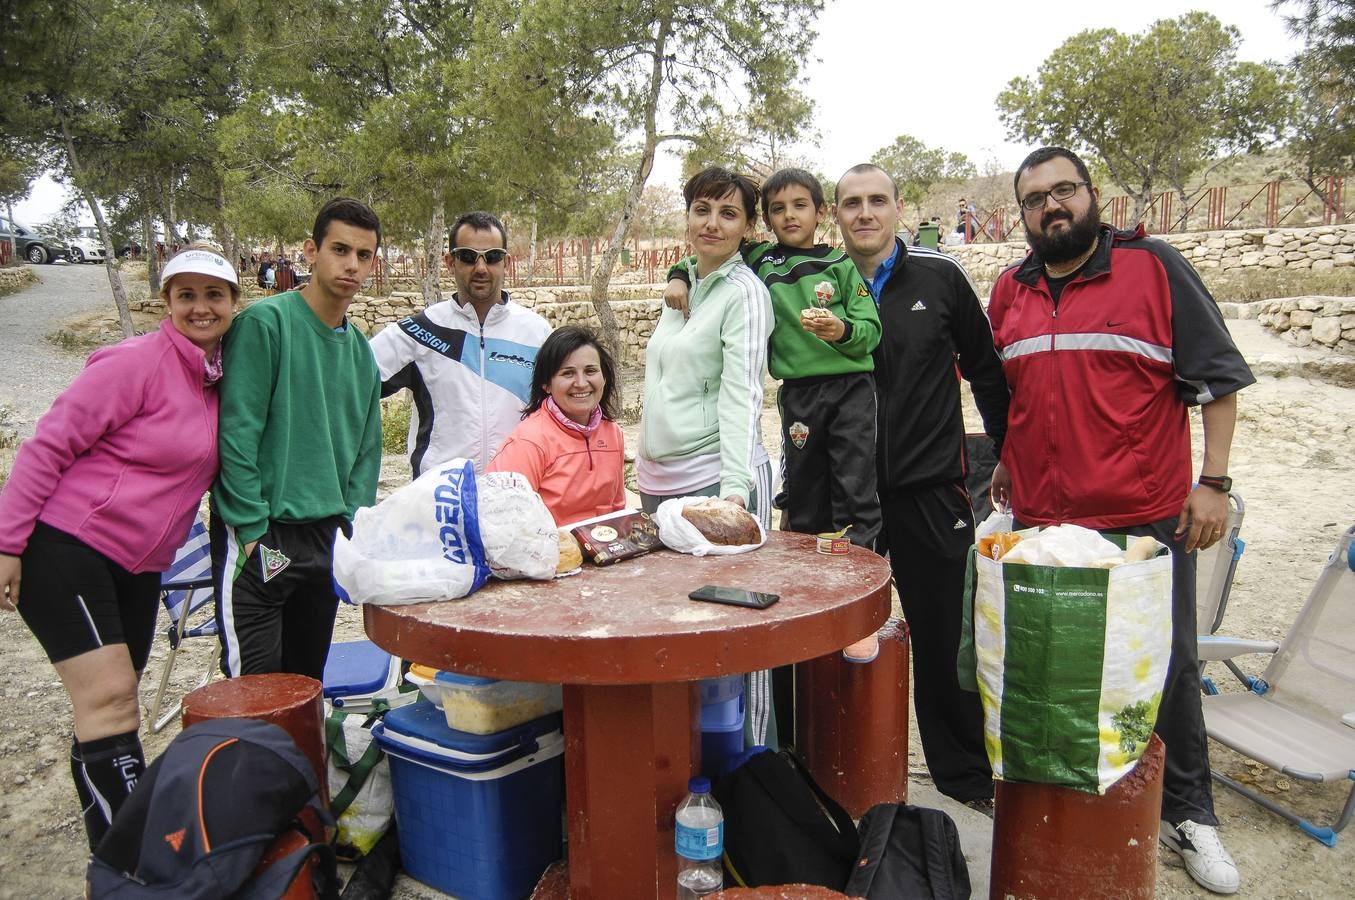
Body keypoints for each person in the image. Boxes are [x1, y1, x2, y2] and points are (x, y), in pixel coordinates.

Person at [988, 147, 1253, 894]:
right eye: (1035, 198)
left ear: (1091, 194)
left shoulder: (1153, 267)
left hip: (1141, 519)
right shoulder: (1010, 289)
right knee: (1054, 667)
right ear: (1023, 214)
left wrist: (1214, 483)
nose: (1052, 207)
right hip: (1042, 521)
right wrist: (1007, 457)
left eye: (1063, 190)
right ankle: (1076, 798)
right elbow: (1013, 392)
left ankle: (1190, 815)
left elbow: (1219, 381)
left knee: (1164, 668)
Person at [0, 245, 238, 849]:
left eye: (214, 295)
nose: (201, 307)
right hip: (69, 545)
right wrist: (6, 544)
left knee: (114, 708)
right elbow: (46, 447)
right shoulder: (134, 362)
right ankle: (124, 865)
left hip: (138, 567)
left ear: (236, 303)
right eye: (186, 295)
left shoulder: (216, 379)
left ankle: (117, 847)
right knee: (107, 700)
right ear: (167, 303)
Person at [834, 163, 1009, 809]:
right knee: (836, 644)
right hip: (844, 505)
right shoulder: (820, 286)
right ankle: (838, 773)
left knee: (943, 643)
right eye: (850, 203)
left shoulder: (938, 278)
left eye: (876, 200)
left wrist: (1005, 454)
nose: (864, 213)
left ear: (897, 206)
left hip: (932, 492)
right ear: (837, 215)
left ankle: (963, 780)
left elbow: (986, 372)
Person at [662, 167, 882, 664]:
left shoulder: (840, 266)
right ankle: (803, 598)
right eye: (778, 209)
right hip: (798, 394)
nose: (789, 216)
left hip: (849, 389)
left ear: (820, 213)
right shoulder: (761, 259)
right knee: (801, 493)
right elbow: (708, 252)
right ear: (765, 219)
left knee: (854, 490)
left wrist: (840, 329)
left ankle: (856, 609)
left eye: (800, 206)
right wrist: (678, 274)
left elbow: (872, 330)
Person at [211, 197, 383, 681]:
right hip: (267, 533)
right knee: (257, 692)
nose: (351, 265)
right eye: (340, 249)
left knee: (306, 684)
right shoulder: (266, 325)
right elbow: (237, 433)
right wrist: (250, 530)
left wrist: (350, 527)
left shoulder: (361, 355)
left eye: (364, 255)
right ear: (312, 250)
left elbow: (367, 454)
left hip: (325, 539)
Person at [639, 165, 774, 743]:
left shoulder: (744, 293)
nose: (712, 223)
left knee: (739, 638)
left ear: (748, 227)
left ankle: (753, 760)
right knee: (674, 628)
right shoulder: (683, 287)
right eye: (702, 210)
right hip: (659, 482)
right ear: (687, 216)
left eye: (729, 213)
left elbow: (744, 392)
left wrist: (736, 493)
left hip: (717, 479)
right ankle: (681, 758)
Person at [370, 211, 551, 477]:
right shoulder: (421, 330)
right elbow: (349, 385)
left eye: (492, 257)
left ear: (506, 262)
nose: (480, 268)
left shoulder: (538, 332)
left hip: (515, 495)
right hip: (440, 501)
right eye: (468, 256)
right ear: (450, 261)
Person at [486, 326, 625, 526]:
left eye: (591, 371)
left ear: (605, 377)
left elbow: (617, 509)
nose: (581, 383)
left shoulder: (613, 433)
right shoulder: (528, 441)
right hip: (549, 553)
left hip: (602, 549)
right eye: (568, 373)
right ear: (546, 384)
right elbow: (500, 518)